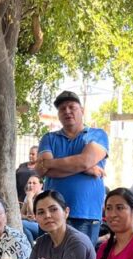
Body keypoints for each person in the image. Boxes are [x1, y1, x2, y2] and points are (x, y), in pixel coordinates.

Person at [36, 92, 108, 244]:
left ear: (82, 110)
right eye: (62, 109)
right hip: (51, 213)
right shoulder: (49, 138)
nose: (67, 111)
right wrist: (85, 167)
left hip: (85, 215)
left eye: (72, 107)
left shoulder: (97, 134)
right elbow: (42, 170)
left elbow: (84, 160)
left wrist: (49, 163)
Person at [19, 174, 43, 245]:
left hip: (42, 227)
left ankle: (32, 250)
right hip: (32, 225)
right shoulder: (28, 196)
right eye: (29, 183)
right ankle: (32, 249)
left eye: (34, 183)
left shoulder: (42, 196)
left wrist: (29, 200)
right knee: (24, 228)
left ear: (41, 186)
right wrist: (26, 217)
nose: (31, 185)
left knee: (22, 224)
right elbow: (20, 215)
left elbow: (34, 217)